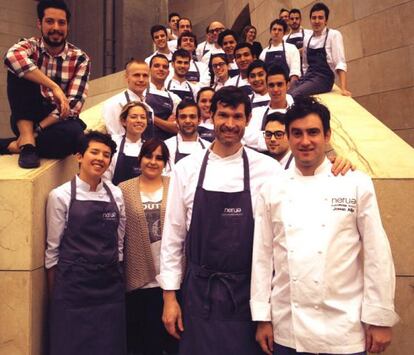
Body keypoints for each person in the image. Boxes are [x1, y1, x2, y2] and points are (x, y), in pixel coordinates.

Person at [251, 96, 399, 355]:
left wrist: (380, 318)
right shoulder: (272, 188)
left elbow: (377, 254)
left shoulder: (355, 183)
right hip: (288, 327)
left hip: (344, 327)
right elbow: (262, 257)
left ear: (327, 135)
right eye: (296, 133)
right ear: (287, 136)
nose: (305, 141)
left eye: (313, 132)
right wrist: (263, 317)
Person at [158, 86, 282, 355]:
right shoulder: (186, 169)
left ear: (248, 120)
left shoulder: (269, 170)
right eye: (223, 115)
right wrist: (169, 298)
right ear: (210, 116)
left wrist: (338, 163)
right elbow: (173, 238)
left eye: (237, 117)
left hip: (247, 296)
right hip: (198, 294)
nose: (230, 124)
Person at [45, 131, 126, 355]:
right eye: (95, 152)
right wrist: (57, 295)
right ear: (79, 156)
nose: (101, 158)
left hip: (109, 287)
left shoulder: (116, 195)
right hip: (73, 289)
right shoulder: (60, 196)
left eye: (106, 154)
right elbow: (52, 252)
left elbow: (119, 245)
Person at [2, 0, 89, 168]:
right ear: (39, 24)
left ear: (67, 26)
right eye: (50, 21)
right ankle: (27, 141)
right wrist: (53, 86)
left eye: (61, 22)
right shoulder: (30, 46)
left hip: (55, 121)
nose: (56, 27)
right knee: (18, 69)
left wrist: (38, 129)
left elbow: (73, 104)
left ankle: (19, 144)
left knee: (75, 136)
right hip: (26, 114)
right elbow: (10, 57)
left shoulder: (80, 58)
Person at [119, 139, 178, 355]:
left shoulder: (175, 187)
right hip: (138, 281)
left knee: (173, 342)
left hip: (170, 281)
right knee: (142, 344)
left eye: (159, 158)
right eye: (148, 156)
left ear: (165, 163)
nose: (153, 162)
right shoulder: (123, 189)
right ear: (140, 158)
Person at [288, 2, 352, 98]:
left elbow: (340, 63)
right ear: (310, 20)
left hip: (324, 79)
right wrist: (305, 79)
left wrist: (343, 88)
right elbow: (305, 64)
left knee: (295, 95)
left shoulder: (333, 35)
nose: (316, 21)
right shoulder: (307, 38)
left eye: (320, 18)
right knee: (287, 94)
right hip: (309, 77)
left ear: (326, 20)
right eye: (314, 18)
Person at [243, 65, 294, 151]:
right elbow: (248, 137)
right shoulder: (257, 112)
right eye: (271, 85)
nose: (275, 89)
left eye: (279, 84)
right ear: (267, 87)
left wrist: (264, 136)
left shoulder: (296, 112)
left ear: (288, 85)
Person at [102, 59, 153, 136]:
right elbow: (115, 137)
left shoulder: (149, 108)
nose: (141, 79)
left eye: (145, 75)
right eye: (136, 75)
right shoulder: (114, 104)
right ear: (126, 77)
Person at [104, 101, 150, 185]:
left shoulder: (151, 146)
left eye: (143, 117)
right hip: (115, 194)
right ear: (123, 121)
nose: (139, 120)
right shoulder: (112, 142)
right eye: (134, 117)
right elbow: (105, 176)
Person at [164, 100, 210, 168]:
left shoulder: (209, 148)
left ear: (199, 120)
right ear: (177, 120)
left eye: (192, 117)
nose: (188, 121)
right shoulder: (166, 146)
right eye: (183, 117)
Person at [146, 54, 181, 140]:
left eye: (164, 67)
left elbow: (177, 128)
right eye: (157, 66)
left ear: (168, 72)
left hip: (166, 145)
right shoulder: (141, 92)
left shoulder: (175, 98)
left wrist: (149, 116)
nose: (161, 69)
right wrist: (166, 124)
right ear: (149, 70)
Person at [259, 19, 300, 83]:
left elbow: (295, 72)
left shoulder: (292, 48)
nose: (276, 32)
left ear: (284, 33)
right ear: (270, 32)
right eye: (274, 29)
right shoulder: (264, 52)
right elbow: (261, 74)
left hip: (287, 86)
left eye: (280, 30)